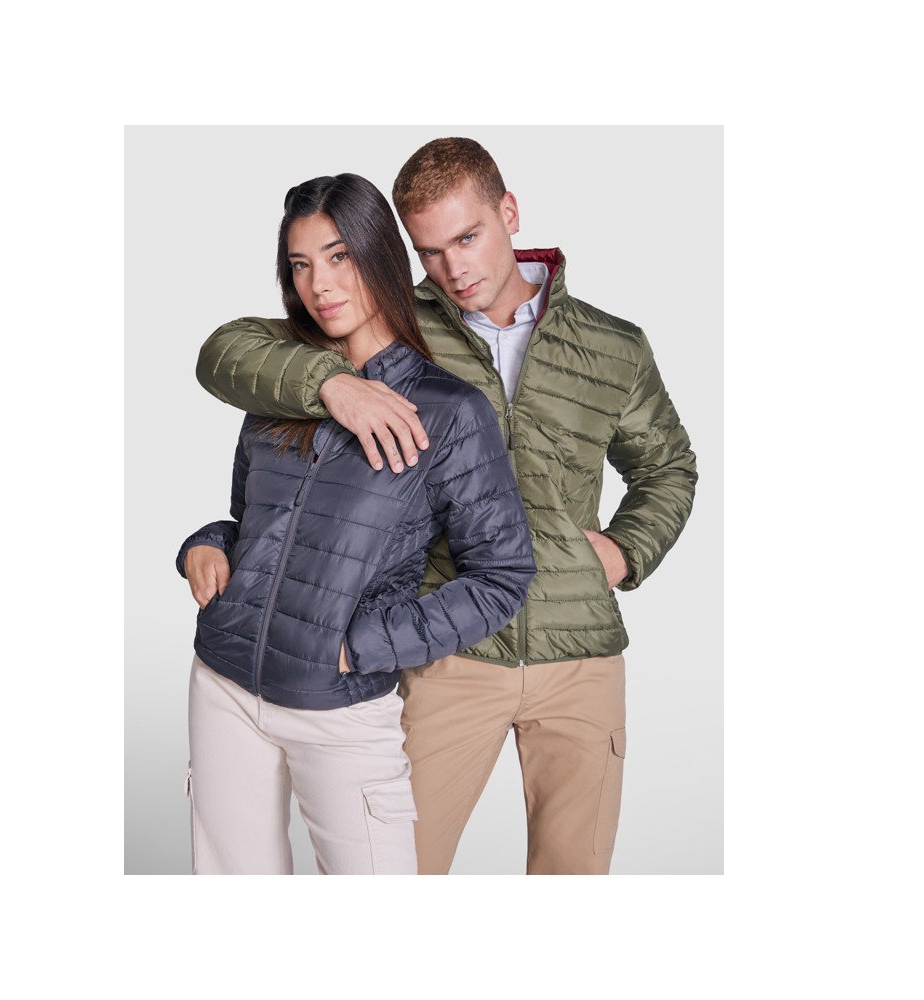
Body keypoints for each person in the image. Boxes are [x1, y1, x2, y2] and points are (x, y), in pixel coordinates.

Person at [193, 138, 698, 875]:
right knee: (405, 864)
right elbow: (232, 352)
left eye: (467, 238)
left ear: (509, 213)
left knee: (575, 876)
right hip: (446, 657)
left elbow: (668, 467)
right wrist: (331, 383)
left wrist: (625, 552)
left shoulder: (612, 346)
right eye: (429, 251)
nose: (453, 268)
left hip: (580, 654)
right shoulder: (391, 324)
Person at [176, 172, 536, 875]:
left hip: (339, 706)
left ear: (380, 256)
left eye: (339, 256)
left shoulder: (449, 411)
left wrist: (363, 646)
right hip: (223, 683)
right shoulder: (283, 385)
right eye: (300, 265)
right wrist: (206, 545)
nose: (320, 284)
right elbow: (253, 523)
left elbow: (502, 576)